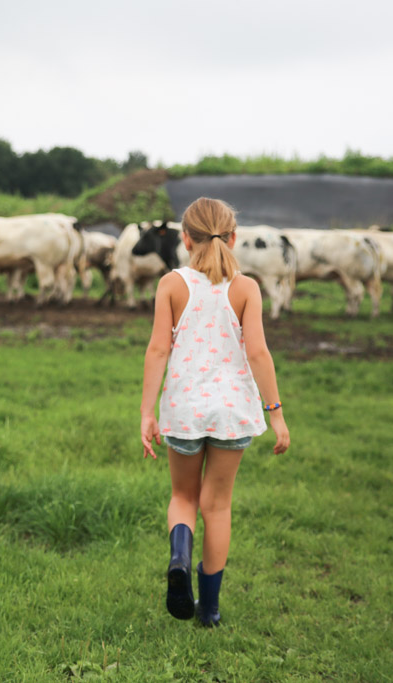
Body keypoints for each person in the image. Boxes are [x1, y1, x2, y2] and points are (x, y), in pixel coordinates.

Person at [140, 197, 290, 627]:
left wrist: (147, 412)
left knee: (183, 497)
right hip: (231, 413)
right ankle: (209, 610)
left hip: (183, 410)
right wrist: (275, 413)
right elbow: (259, 353)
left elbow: (157, 349)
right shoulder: (246, 288)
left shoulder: (171, 284)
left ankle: (179, 558)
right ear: (234, 237)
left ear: (185, 238)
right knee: (217, 506)